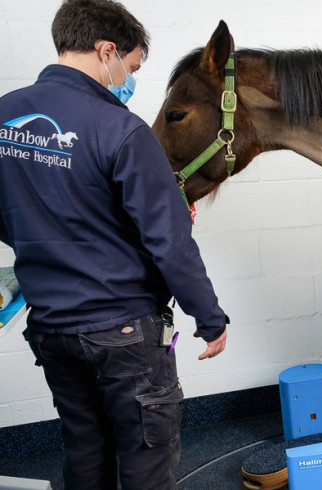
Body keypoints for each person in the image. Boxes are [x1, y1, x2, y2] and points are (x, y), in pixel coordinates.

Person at [0, 1, 229, 488]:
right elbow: (169, 241)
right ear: (107, 51)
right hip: (123, 333)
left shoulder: (3, 116)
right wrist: (210, 318)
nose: (129, 78)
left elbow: (10, 216)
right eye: (132, 66)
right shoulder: (121, 129)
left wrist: (53, 239)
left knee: (85, 451)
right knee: (147, 458)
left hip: (52, 330)